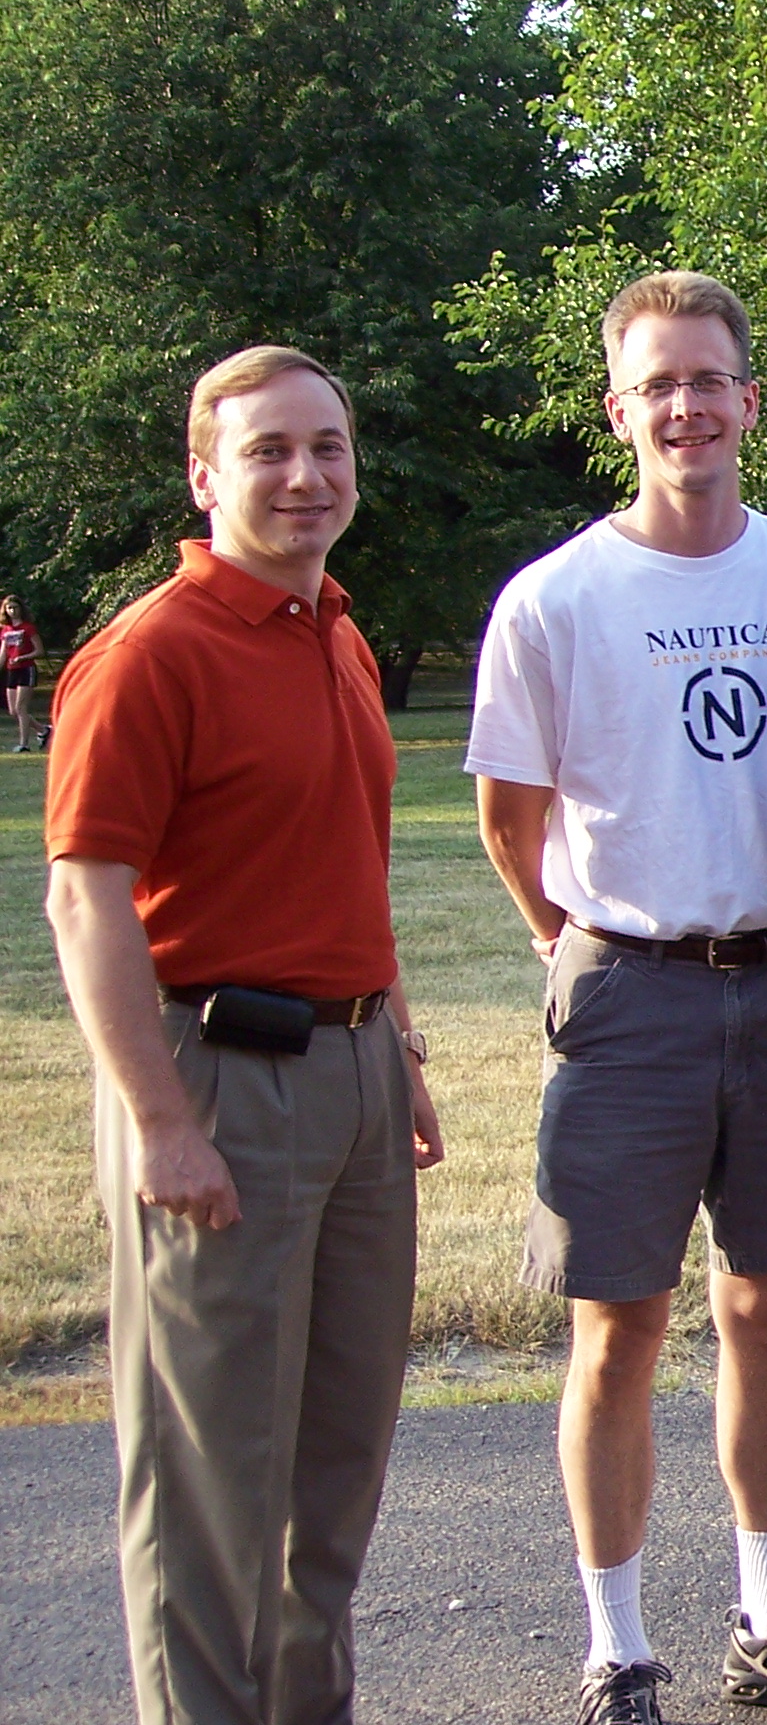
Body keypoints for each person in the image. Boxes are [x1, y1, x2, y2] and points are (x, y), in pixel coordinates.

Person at [466, 272, 767, 1725]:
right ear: (619, 410)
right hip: (630, 991)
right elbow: (507, 819)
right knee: (620, 1323)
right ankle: (617, 1647)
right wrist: (574, 951)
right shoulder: (557, 599)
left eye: (708, 379)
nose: (685, 405)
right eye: (657, 383)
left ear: (749, 402)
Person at [44, 345, 444, 1725]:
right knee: (215, 1478)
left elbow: (345, 861)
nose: (304, 475)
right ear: (204, 475)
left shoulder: (334, 630)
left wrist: (394, 1038)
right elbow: (83, 896)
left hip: (347, 1077)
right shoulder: (149, 653)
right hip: (212, 1080)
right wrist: (160, 1123)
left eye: (326, 448)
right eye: (268, 451)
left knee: (333, 1467)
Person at [1, 592, 40, 749]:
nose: (12, 611)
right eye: (9, 608)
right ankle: (43, 730)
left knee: (21, 708)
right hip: (12, 670)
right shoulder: (5, 630)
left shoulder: (28, 628)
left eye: (15, 607)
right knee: (13, 711)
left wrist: (22, 658)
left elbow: (39, 651)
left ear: (21, 609)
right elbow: (3, 653)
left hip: (26, 669)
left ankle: (23, 744)